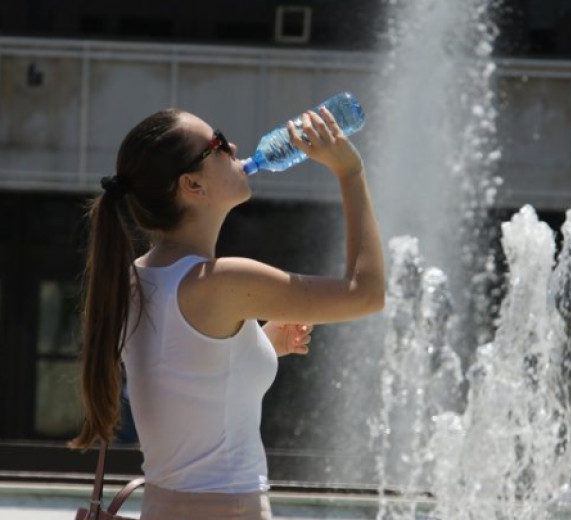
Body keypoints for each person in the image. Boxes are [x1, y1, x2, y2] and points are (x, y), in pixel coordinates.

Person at [70, 106, 385, 520]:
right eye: (217, 144)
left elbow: (184, 373)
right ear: (192, 184)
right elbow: (366, 294)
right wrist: (351, 174)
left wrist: (259, 344)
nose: (233, 147)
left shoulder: (131, 281)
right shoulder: (221, 281)